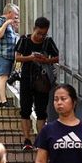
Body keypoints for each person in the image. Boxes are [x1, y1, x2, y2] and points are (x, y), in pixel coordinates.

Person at [15, 17, 59, 151]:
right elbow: (17, 57)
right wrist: (30, 58)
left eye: (44, 34)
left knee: (41, 111)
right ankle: (27, 139)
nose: (41, 36)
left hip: (42, 81)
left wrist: (46, 60)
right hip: (26, 80)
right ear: (34, 29)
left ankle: (40, 140)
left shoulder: (48, 42)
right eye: (39, 33)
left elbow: (58, 57)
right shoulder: (24, 40)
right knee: (25, 110)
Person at [0, 3, 20, 108]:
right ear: (9, 13)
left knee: (1, 78)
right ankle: (4, 101)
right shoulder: (0, 21)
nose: (16, 16)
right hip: (2, 54)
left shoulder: (9, 24)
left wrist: (14, 26)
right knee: (3, 77)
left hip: (8, 55)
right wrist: (6, 23)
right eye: (15, 14)